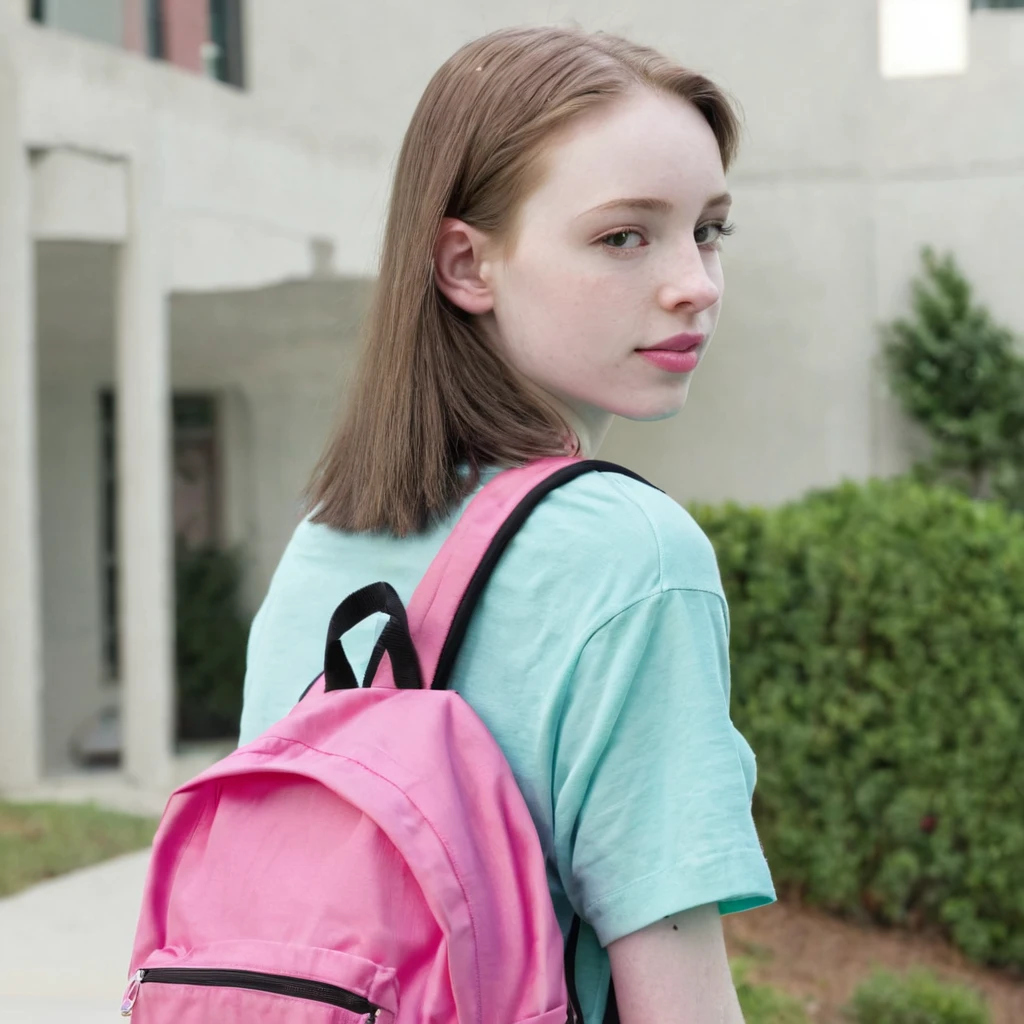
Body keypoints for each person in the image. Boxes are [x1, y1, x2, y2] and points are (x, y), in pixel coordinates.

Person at [240, 25, 775, 1024]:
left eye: (708, 229)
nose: (694, 283)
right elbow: (679, 999)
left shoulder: (323, 539)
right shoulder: (635, 554)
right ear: (466, 264)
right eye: (624, 236)